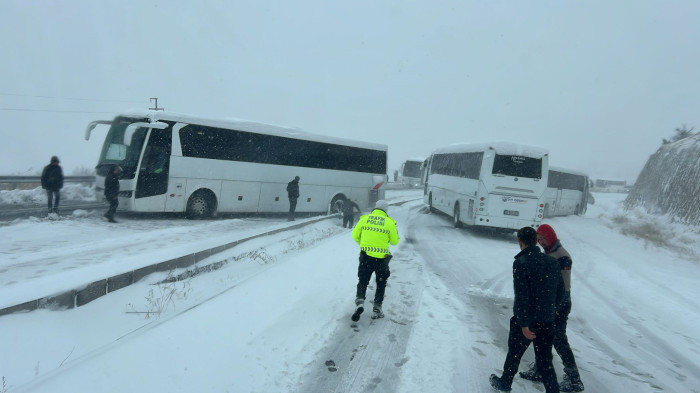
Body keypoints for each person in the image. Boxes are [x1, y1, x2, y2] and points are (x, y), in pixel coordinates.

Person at [490, 226, 565, 393]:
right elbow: (561, 293)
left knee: (514, 354)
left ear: (520, 242)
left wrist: (524, 324)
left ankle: (505, 384)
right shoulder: (552, 262)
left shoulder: (521, 263)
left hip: (528, 320)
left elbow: (522, 296)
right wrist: (552, 312)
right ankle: (553, 390)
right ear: (536, 241)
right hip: (546, 320)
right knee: (545, 361)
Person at [519, 224, 585, 392]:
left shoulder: (562, 257)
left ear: (551, 237)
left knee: (558, 339)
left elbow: (563, 287)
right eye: (538, 239)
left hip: (559, 303)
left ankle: (574, 380)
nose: (540, 242)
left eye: (543, 238)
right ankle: (540, 370)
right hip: (549, 302)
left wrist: (555, 307)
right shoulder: (549, 253)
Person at [350, 200, 399, 321]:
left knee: (363, 280)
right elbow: (394, 241)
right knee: (381, 282)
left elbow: (354, 235)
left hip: (365, 257)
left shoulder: (364, 219)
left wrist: (364, 244)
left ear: (375, 208)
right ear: (386, 210)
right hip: (381, 260)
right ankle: (377, 308)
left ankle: (360, 301)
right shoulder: (389, 222)